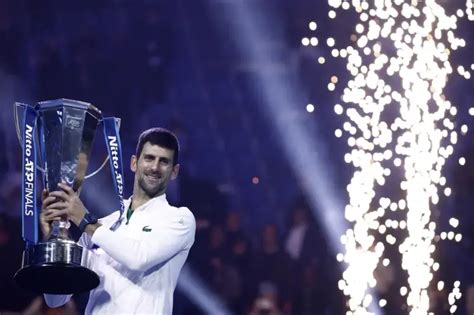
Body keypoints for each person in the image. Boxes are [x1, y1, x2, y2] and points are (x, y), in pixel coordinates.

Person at [40, 127, 196, 314]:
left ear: (174, 171)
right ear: (134, 163)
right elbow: (56, 298)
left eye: (164, 161)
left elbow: (139, 259)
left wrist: (84, 221)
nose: (155, 167)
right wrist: (55, 236)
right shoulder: (103, 224)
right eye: (149, 158)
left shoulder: (179, 219)